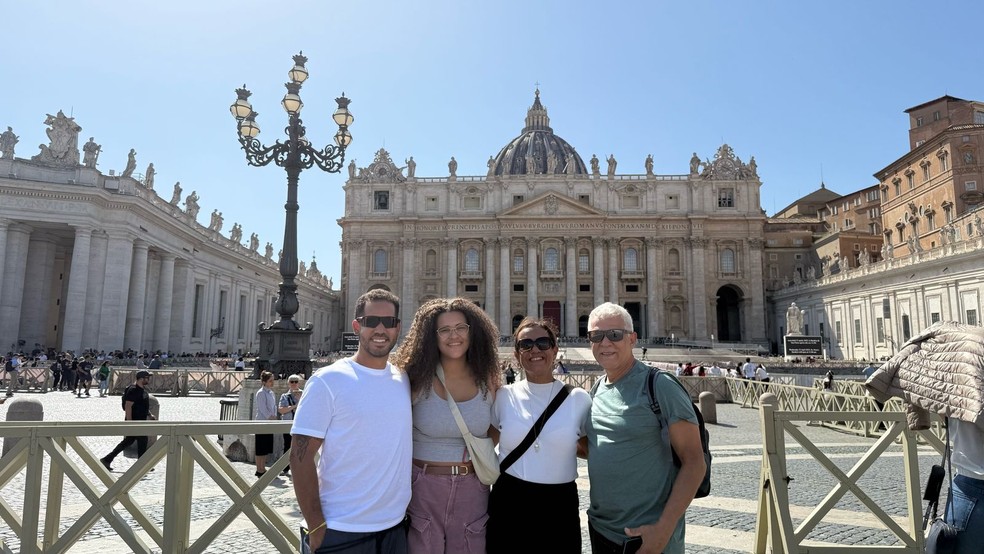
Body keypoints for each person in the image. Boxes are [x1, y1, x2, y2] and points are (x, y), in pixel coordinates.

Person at [290, 289, 411, 554]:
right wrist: (315, 525)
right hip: (340, 530)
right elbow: (299, 457)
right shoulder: (327, 380)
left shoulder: (404, 380)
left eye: (389, 322)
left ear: (398, 328)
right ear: (357, 326)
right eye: (371, 322)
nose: (380, 329)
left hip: (395, 529)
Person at [584, 302, 705, 554]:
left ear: (632, 339)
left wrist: (664, 528)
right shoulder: (596, 390)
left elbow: (694, 462)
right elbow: (597, 446)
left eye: (615, 335)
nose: (605, 342)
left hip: (648, 537)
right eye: (597, 335)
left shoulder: (660, 386)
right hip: (602, 531)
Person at [390, 297, 502, 554]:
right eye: (444, 330)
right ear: (432, 336)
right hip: (423, 486)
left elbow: (497, 426)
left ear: (473, 331)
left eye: (461, 328)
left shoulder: (489, 378)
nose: (454, 336)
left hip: (473, 487)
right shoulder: (414, 378)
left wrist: (473, 453)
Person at [487, 317, 592, 553]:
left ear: (555, 350)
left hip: (559, 504)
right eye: (526, 344)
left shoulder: (579, 399)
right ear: (517, 354)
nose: (535, 349)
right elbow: (486, 443)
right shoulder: (502, 396)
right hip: (509, 499)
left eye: (543, 343)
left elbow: (590, 450)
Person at [101, 370, 157, 471]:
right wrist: (130, 422)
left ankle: (107, 459)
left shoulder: (142, 390)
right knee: (142, 441)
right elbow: (128, 406)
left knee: (128, 441)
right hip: (135, 421)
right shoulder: (133, 390)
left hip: (140, 421)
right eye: (147, 378)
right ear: (141, 379)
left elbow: (142, 405)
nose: (149, 380)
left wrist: (150, 414)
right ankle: (142, 464)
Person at [277, 374, 303, 477]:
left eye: (296, 381)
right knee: (287, 446)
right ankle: (285, 468)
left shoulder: (304, 394)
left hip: (300, 424)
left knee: (300, 447)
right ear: (288, 383)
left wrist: (300, 399)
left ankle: (299, 468)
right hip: (288, 423)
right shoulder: (285, 396)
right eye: (292, 381)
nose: (294, 383)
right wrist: (294, 406)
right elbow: (281, 410)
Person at [254, 370, 277, 478]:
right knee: (260, 447)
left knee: (265, 447)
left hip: (270, 422)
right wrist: (270, 417)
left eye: (273, 380)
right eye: (270, 381)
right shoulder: (261, 393)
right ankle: (259, 469)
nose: (272, 383)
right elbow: (262, 408)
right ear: (264, 382)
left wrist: (274, 416)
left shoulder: (271, 393)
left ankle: (263, 467)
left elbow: (274, 406)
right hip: (262, 422)